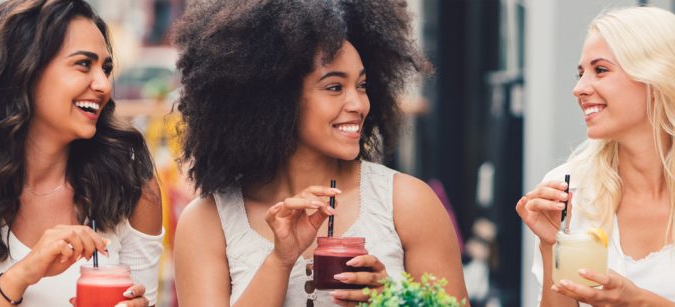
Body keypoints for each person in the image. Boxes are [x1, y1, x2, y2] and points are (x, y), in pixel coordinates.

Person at [171, 0, 468, 306]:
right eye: (335, 87)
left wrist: (390, 299)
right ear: (275, 98)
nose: (358, 104)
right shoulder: (208, 222)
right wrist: (280, 261)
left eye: (362, 85)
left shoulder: (408, 204)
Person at [0, 0, 163, 306]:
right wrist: (25, 273)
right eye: (84, 63)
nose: (104, 84)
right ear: (25, 70)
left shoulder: (131, 187)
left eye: (106, 68)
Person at [516, 6, 675, 306]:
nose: (578, 89)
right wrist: (553, 247)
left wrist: (638, 301)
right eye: (580, 74)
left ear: (655, 77)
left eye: (600, 70)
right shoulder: (567, 189)